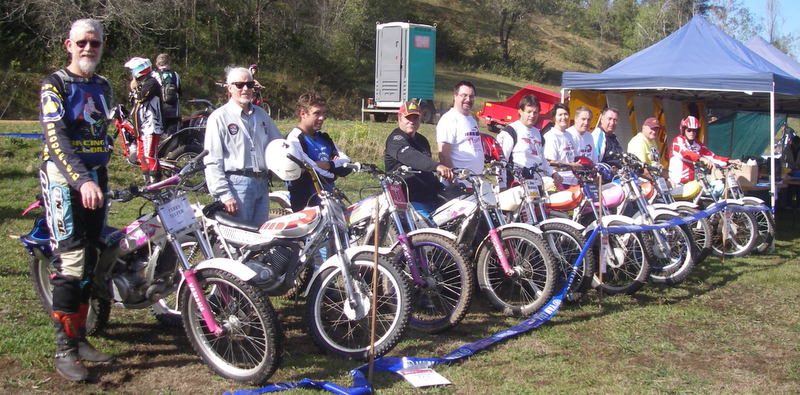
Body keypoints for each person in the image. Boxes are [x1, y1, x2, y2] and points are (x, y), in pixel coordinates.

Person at [38, 18, 115, 382]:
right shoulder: (54, 85)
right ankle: (64, 349)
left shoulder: (102, 85)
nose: (88, 48)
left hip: (97, 179)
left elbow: (105, 131)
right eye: (82, 42)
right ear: (69, 44)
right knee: (70, 258)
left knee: (92, 255)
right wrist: (82, 179)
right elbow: (56, 140)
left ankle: (80, 337)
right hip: (64, 180)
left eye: (95, 43)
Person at [203, 66, 282, 225]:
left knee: (261, 240)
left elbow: (278, 145)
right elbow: (212, 160)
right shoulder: (219, 118)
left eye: (250, 85)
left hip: (261, 183)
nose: (245, 89)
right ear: (229, 88)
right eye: (239, 85)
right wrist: (225, 194)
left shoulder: (262, 115)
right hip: (236, 185)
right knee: (240, 241)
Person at [384, 100, 453, 218]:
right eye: (408, 117)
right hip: (409, 202)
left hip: (431, 198)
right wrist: (437, 166)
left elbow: (427, 172)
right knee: (432, 233)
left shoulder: (422, 140)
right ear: (399, 118)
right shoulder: (395, 140)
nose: (412, 121)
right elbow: (412, 157)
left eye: (415, 117)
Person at [285, 92, 352, 212]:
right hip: (306, 203)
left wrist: (328, 165)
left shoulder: (324, 138)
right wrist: (333, 173)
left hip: (329, 200)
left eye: (323, 113)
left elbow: (348, 164)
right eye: (316, 113)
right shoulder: (294, 139)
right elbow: (312, 171)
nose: (322, 118)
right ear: (303, 114)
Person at [496, 94, 562, 189]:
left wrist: (553, 173)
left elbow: (542, 160)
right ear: (520, 111)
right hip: (516, 184)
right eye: (529, 112)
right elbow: (501, 161)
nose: (532, 115)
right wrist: (502, 185)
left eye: (535, 112)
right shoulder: (511, 131)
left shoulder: (538, 134)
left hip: (537, 184)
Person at [124, 57, 163, 183]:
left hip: (151, 126)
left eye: (132, 71)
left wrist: (135, 88)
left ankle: (156, 184)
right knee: (141, 156)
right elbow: (132, 101)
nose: (132, 74)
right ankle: (147, 182)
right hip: (141, 127)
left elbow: (141, 97)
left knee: (150, 155)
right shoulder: (142, 84)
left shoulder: (152, 82)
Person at [437, 81, 484, 181]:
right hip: (459, 184)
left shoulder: (471, 120)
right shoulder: (449, 119)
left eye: (471, 96)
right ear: (455, 96)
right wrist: (454, 182)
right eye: (464, 95)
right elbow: (444, 155)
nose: (468, 99)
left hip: (475, 182)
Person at [668, 115, 730, 185]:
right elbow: (683, 152)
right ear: (683, 130)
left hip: (692, 181)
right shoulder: (678, 140)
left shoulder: (697, 143)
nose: (692, 133)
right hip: (678, 182)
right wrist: (701, 158)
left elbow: (711, 156)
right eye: (689, 130)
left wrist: (728, 161)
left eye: (694, 130)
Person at [543, 103, 580, 186]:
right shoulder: (551, 136)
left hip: (574, 181)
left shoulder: (569, 135)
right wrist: (571, 166)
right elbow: (550, 163)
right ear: (554, 118)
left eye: (566, 114)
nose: (563, 117)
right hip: (560, 181)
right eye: (560, 115)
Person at [153, 53, 181, 134]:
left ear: (157, 63)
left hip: (160, 112)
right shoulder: (176, 74)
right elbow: (179, 92)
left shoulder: (154, 75)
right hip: (174, 111)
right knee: (173, 138)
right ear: (169, 62)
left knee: (160, 139)